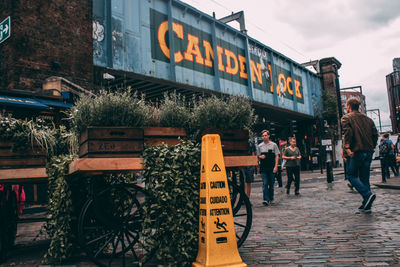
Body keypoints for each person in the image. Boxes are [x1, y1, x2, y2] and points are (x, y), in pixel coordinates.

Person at [342, 97, 378, 214]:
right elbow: (375, 135)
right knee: (364, 177)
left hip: (356, 151)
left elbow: (348, 134)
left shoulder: (346, 118)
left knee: (351, 175)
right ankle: (366, 205)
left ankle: (367, 195)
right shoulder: (368, 119)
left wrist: (347, 148)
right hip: (368, 151)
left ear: (349, 106)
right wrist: (372, 146)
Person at [257, 130, 280, 206]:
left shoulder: (274, 145)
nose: (264, 137)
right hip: (263, 167)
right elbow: (257, 156)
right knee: (265, 183)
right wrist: (260, 157)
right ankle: (266, 199)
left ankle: (271, 198)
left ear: (268, 136)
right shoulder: (260, 146)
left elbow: (277, 156)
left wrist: (276, 166)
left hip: (271, 167)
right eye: (263, 136)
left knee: (271, 183)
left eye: (265, 135)